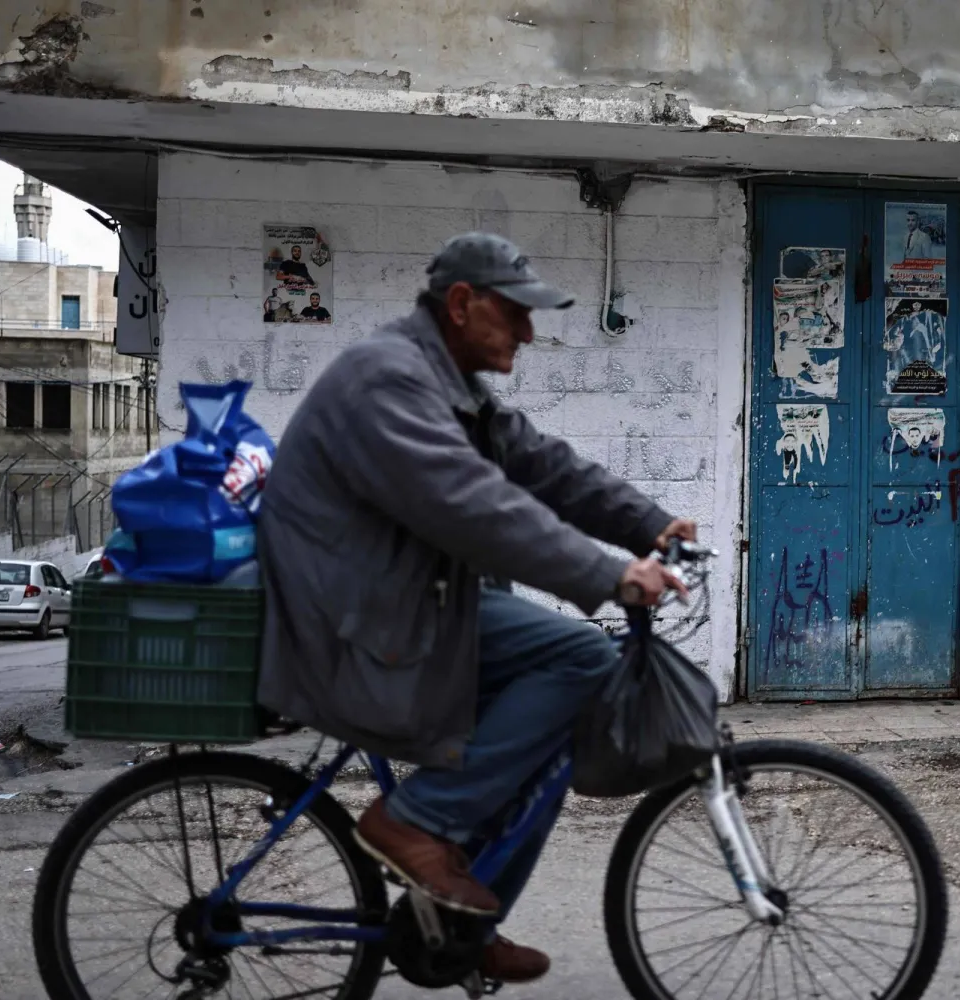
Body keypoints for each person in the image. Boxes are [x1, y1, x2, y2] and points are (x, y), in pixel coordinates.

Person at [255, 232, 694, 985]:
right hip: (355, 623)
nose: (528, 331)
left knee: (553, 740)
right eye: (516, 312)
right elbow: (475, 507)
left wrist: (649, 523)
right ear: (462, 304)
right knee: (585, 655)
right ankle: (414, 822)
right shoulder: (386, 382)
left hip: (402, 607)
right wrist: (609, 573)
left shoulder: (449, 384)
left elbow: (544, 464)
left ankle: (461, 921)